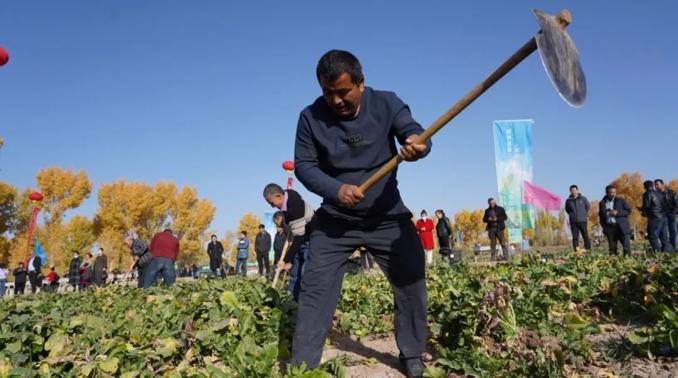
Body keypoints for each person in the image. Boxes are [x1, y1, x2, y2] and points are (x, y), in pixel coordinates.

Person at [290, 50, 430, 377]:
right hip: (336, 222)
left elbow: (414, 131)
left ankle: (411, 355)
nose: (336, 100)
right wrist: (336, 190)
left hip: (387, 216)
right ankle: (302, 367)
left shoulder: (387, 103)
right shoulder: (310, 117)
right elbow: (304, 166)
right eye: (329, 93)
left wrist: (417, 145)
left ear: (361, 84)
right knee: (314, 291)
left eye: (343, 92)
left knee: (411, 282)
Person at [263, 183, 314, 301]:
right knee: (294, 274)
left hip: (309, 239)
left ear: (278, 196)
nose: (271, 206)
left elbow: (299, 238)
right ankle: (292, 301)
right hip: (300, 239)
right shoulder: (287, 197)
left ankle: (306, 302)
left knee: (305, 273)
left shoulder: (294, 208)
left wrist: (285, 260)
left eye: (271, 203)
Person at [599, 185, 632, 256]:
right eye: (611, 192)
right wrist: (604, 226)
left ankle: (628, 262)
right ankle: (614, 263)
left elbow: (628, 211)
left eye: (614, 192)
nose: (613, 194)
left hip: (621, 227)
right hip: (610, 228)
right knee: (612, 248)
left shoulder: (621, 200)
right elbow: (601, 216)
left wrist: (618, 213)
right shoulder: (602, 203)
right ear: (606, 193)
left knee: (626, 247)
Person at [642, 180, 671, 252]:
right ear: (652, 186)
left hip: (654, 217)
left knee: (652, 236)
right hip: (663, 216)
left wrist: (643, 213)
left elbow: (646, 206)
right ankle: (666, 252)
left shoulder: (647, 193)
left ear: (645, 187)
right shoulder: (660, 193)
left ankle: (657, 253)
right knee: (663, 236)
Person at [564, 185, 591, 251]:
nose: (573, 192)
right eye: (572, 190)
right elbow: (567, 210)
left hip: (582, 220)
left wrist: (583, 214)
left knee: (585, 235)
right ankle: (576, 250)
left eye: (575, 190)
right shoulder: (568, 201)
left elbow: (587, 207)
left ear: (577, 190)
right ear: (570, 191)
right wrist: (572, 215)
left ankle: (588, 249)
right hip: (573, 222)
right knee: (575, 237)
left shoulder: (583, 199)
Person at [655, 179, 677, 251]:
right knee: (663, 232)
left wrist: (674, 212)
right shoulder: (655, 194)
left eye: (657, 184)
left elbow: (676, 204)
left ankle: (673, 247)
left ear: (662, 184)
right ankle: (666, 247)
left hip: (671, 214)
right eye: (655, 185)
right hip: (661, 216)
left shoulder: (671, 193)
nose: (656, 186)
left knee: (673, 231)